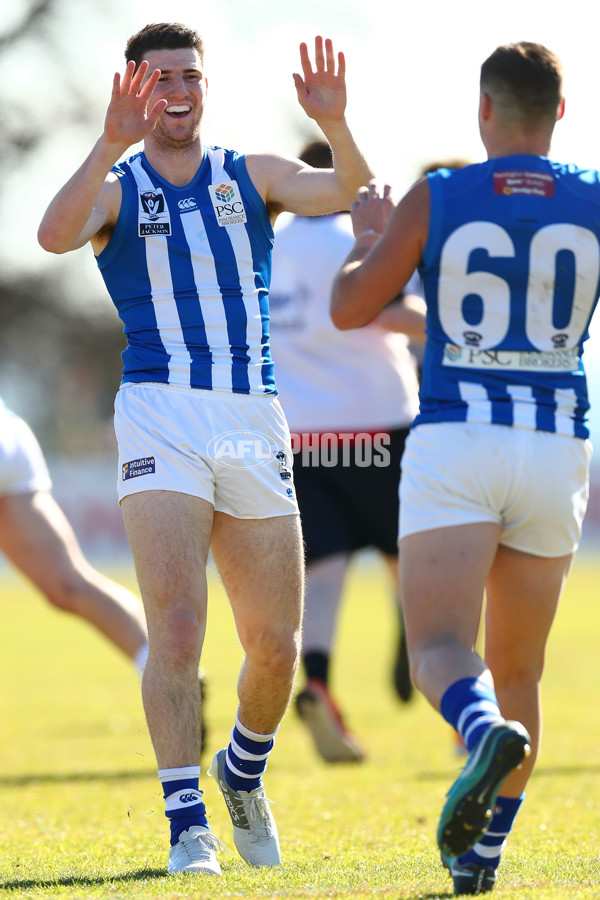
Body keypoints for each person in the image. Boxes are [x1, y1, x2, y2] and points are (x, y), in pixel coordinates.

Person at [38, 23, 373, 877]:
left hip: (251, 417)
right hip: (158, 413)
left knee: (275, 647)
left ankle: (242, 772)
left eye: (189, 75)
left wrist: (334, 122)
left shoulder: (249, 173)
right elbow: (52, 234)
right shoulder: (116, 185)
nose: (177, 91)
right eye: (159, 78)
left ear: (205, 84)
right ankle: (187, 821)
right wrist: (108, 140)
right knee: (178, 628)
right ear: (134, 86)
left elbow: (351, 194)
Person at [331, 42, 598, 895]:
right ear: (561, 111)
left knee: (443, 649)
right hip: (556, 444)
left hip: (459, 438)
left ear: (483, 111)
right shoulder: (592, 198)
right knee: (523, 670)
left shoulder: (440, 195)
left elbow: (351, 309)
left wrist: (368, 237)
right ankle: (480, 861)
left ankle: (478, 730)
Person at [269, 139, 425, 763]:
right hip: (379, 422)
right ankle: (418, 640)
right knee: (409, 554)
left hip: (303, 432)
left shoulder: (271, 248)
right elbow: (387, 313)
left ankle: (318, 686)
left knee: (323, 570)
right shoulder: (361, 238)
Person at [0, 396, 149, 671]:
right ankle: (166, 670)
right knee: (69, 583)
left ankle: (167, 672)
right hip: (9, 433)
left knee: (69, 583)